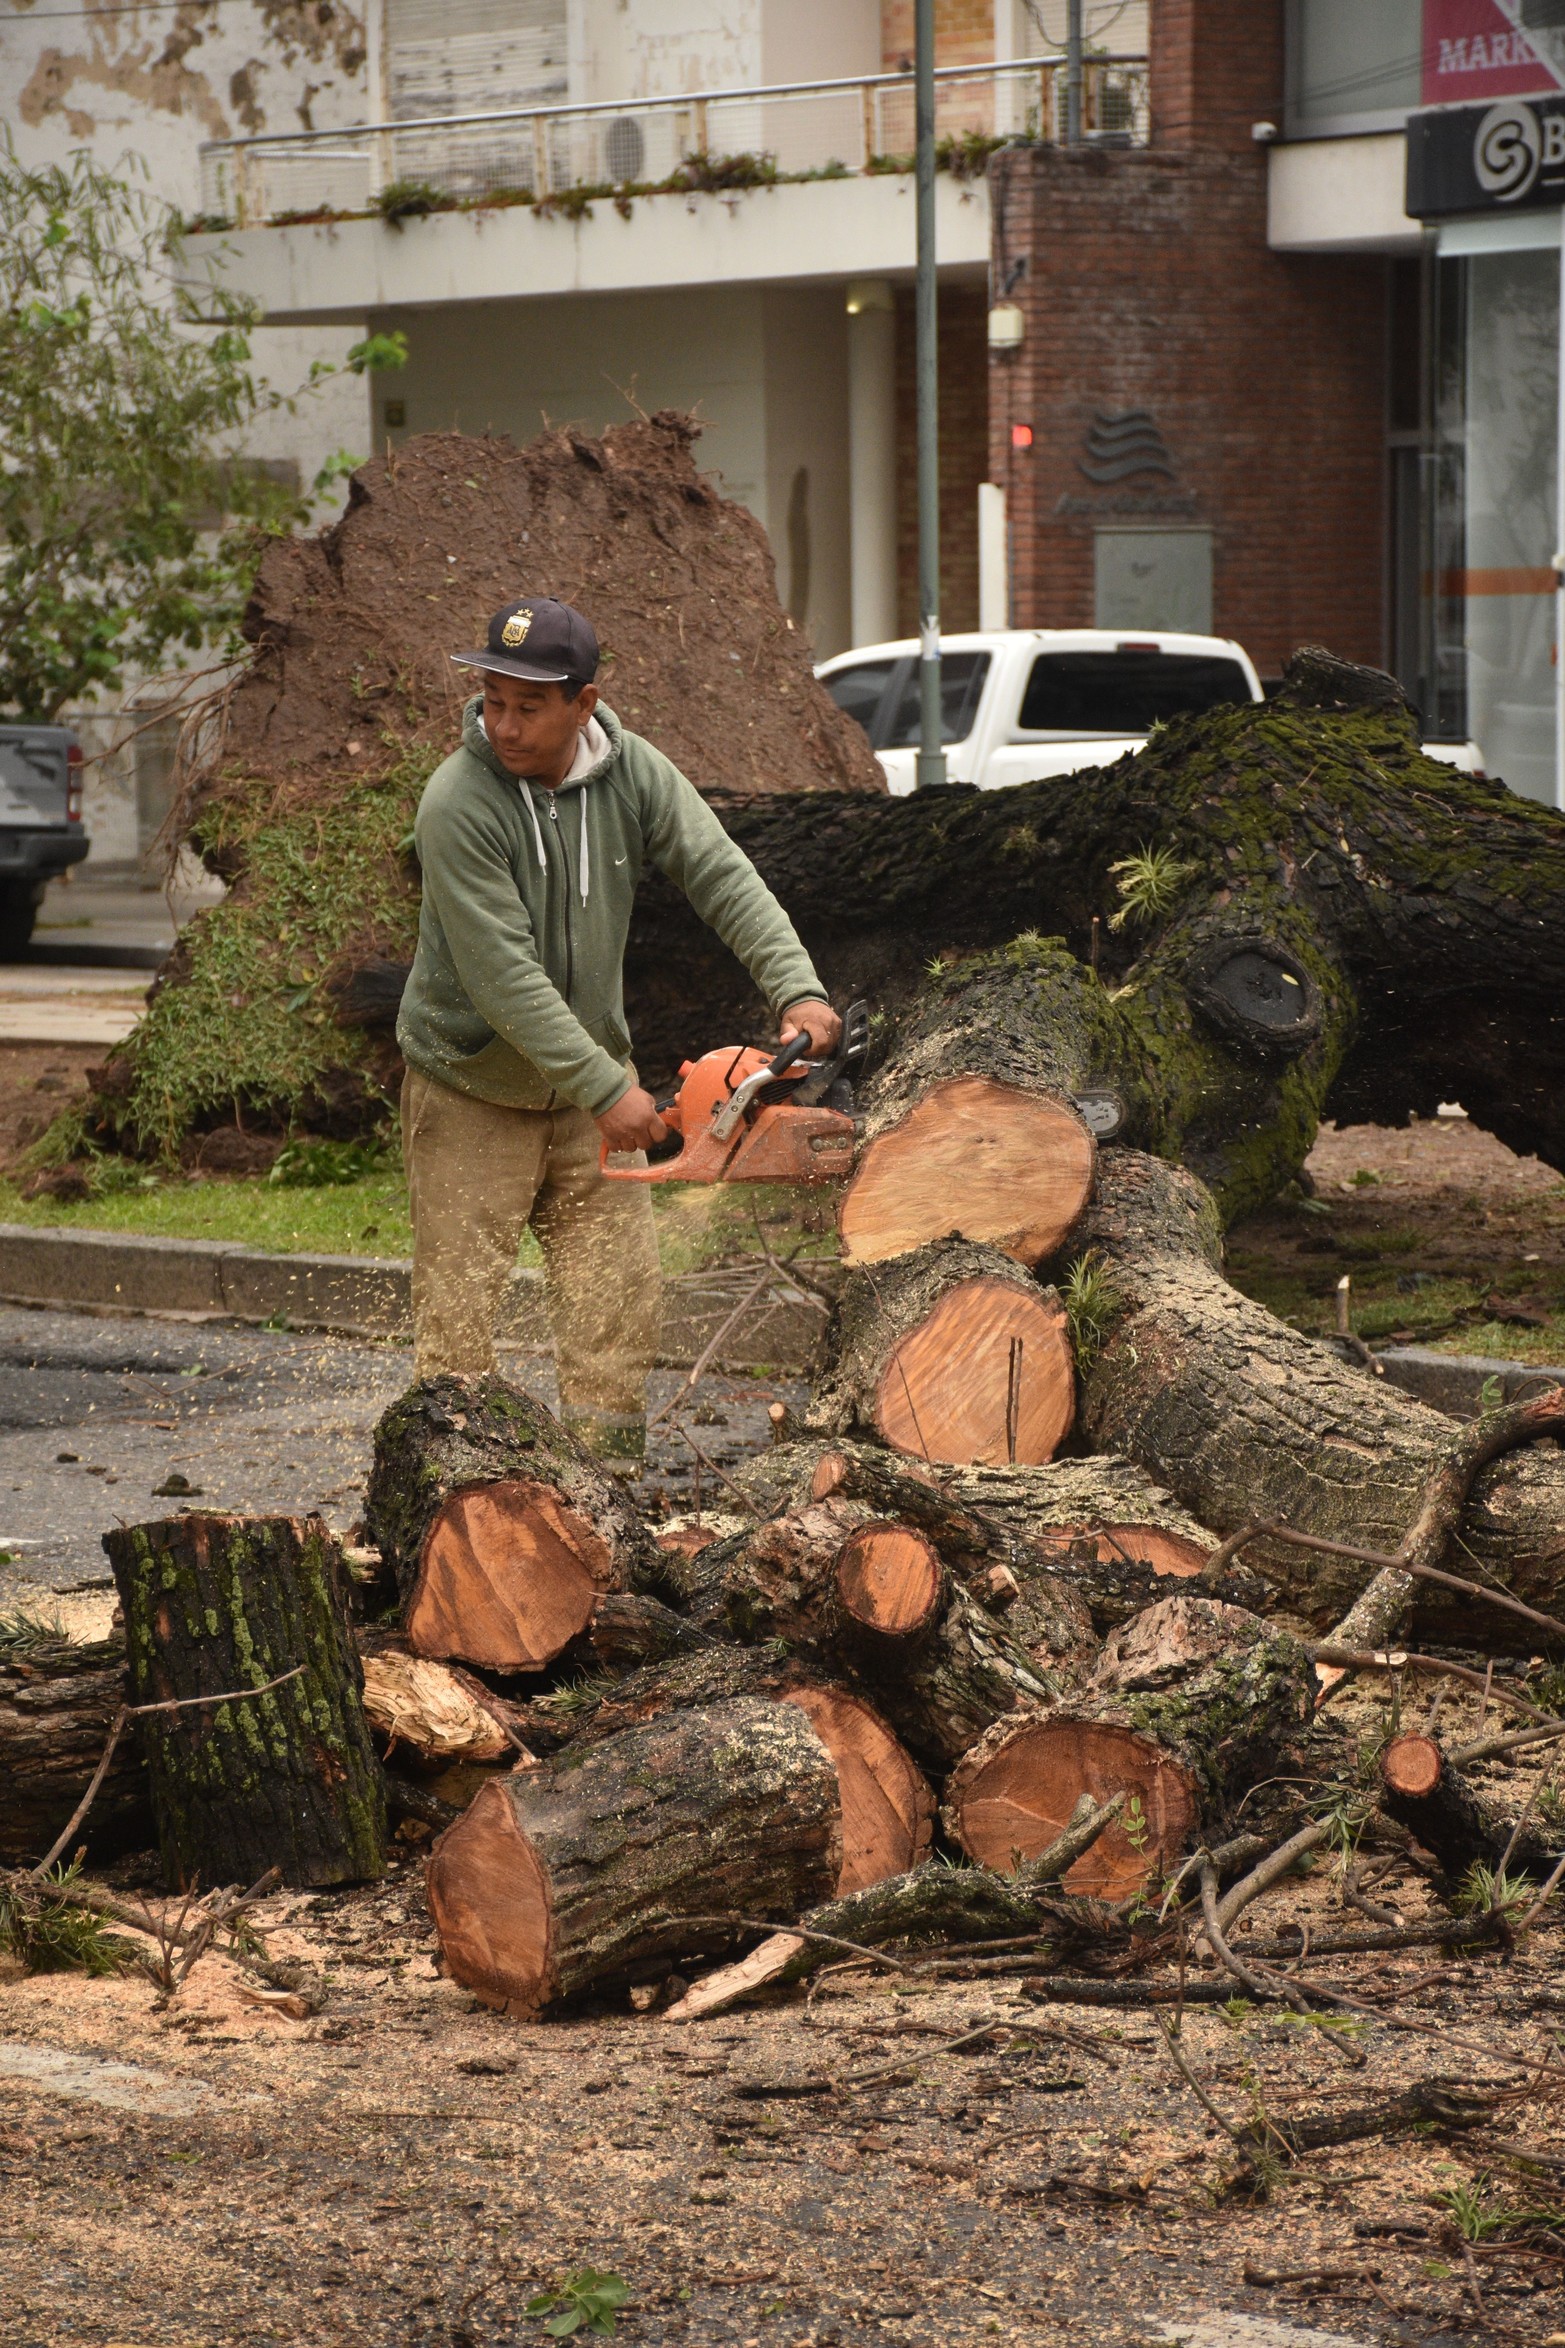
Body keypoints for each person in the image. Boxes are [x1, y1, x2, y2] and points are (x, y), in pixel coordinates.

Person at [396, 595, 841, 1476]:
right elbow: (503, 977)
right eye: (493, 702)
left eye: (528, 707)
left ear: (583, 704)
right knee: (459, 1318)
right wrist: (609, 1091)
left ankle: (608, 1490)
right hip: (471, 1088)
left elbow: (720, 872)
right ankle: (452, 1497)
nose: (505, 725)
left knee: (617, 1303)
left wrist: (795, 988)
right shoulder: (458, 802)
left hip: (585, 1085)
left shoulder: (631, 772)